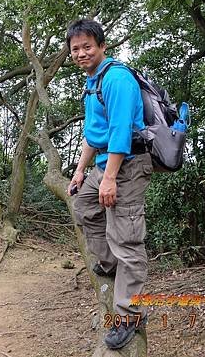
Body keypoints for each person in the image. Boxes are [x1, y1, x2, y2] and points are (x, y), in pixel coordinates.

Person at [65, 19, 153, 350]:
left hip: (127, 165)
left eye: (87, 46)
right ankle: (109, 264)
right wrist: (79, 171)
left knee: (126, 238)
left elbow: (119, 134)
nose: (81, 53)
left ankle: (129, 315)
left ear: (102, 46)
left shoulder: (117, 78)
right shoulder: (93, 83)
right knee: (85, 205)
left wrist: (111, 178)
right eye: (75, 49)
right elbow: (93, 134)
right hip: (106, 163)